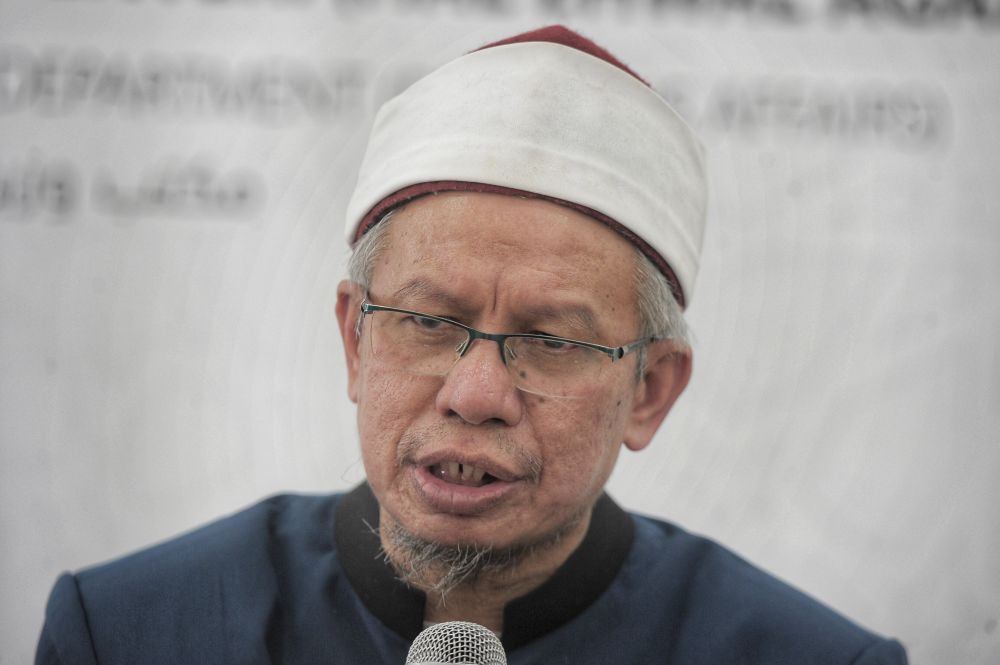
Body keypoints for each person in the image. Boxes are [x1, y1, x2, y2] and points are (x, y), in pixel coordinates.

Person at [35, 26, 908, 664]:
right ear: (354, 339)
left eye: (548, 339)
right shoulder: (129, 632)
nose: (476, 391)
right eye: (428, 321)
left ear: (649, 390)